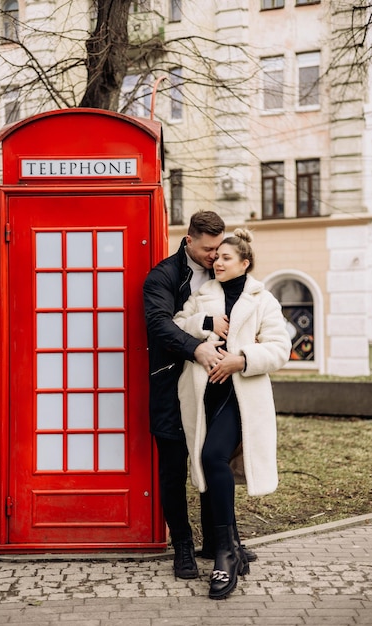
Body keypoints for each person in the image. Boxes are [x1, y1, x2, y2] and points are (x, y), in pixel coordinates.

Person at [173, 228, 291, 599]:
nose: (217, 262)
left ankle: (225, 554)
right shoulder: (202, 294)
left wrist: (243, 359)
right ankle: (234, 549)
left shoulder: (263, 299)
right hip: (204, 395)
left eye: (226, 258)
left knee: (212, 457)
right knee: (212, 463)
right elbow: (177, 326)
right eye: (216, 257)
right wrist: (204, 325)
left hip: (240, 397)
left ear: (245, 263)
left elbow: (280, 348)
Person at [143, 211, 227, 579]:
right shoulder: (163, 275)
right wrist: (196, 348)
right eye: (208, 248)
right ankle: (182, 548)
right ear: (188, 240)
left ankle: (217, 543)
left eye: (219, 248)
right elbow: (158, 323)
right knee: (173, 469)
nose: (214, 255)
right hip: (170, 384)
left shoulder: (223, 269)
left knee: (214, 459)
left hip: (215, 383)